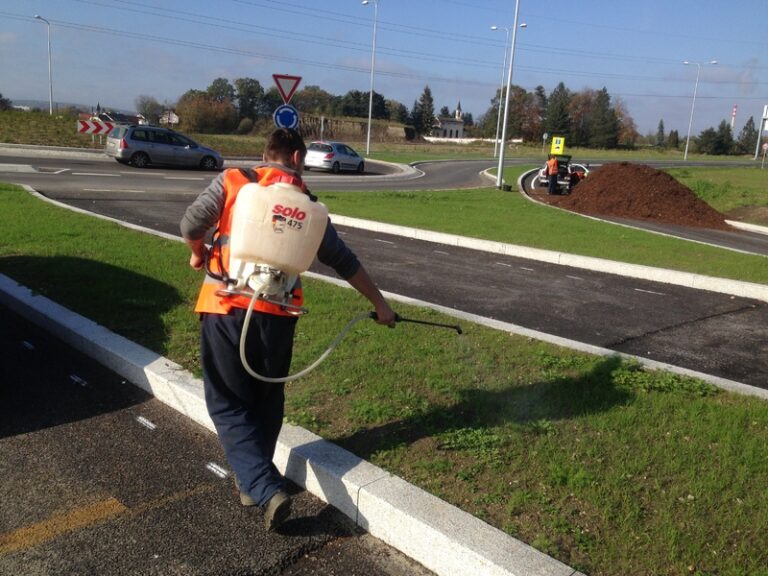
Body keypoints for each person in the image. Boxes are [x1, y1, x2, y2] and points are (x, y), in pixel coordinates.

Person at [180, 128, 396, 531]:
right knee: (266, 399)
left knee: (228, 403)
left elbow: (192, 223)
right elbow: (343, 260)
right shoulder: (309, 206)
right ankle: (254, 482)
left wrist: (198, 254)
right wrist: (380, 304)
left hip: (225, 307)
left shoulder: (233, 181)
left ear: (266, 155)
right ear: (296, 158)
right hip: (277, 317)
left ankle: (263, 487)